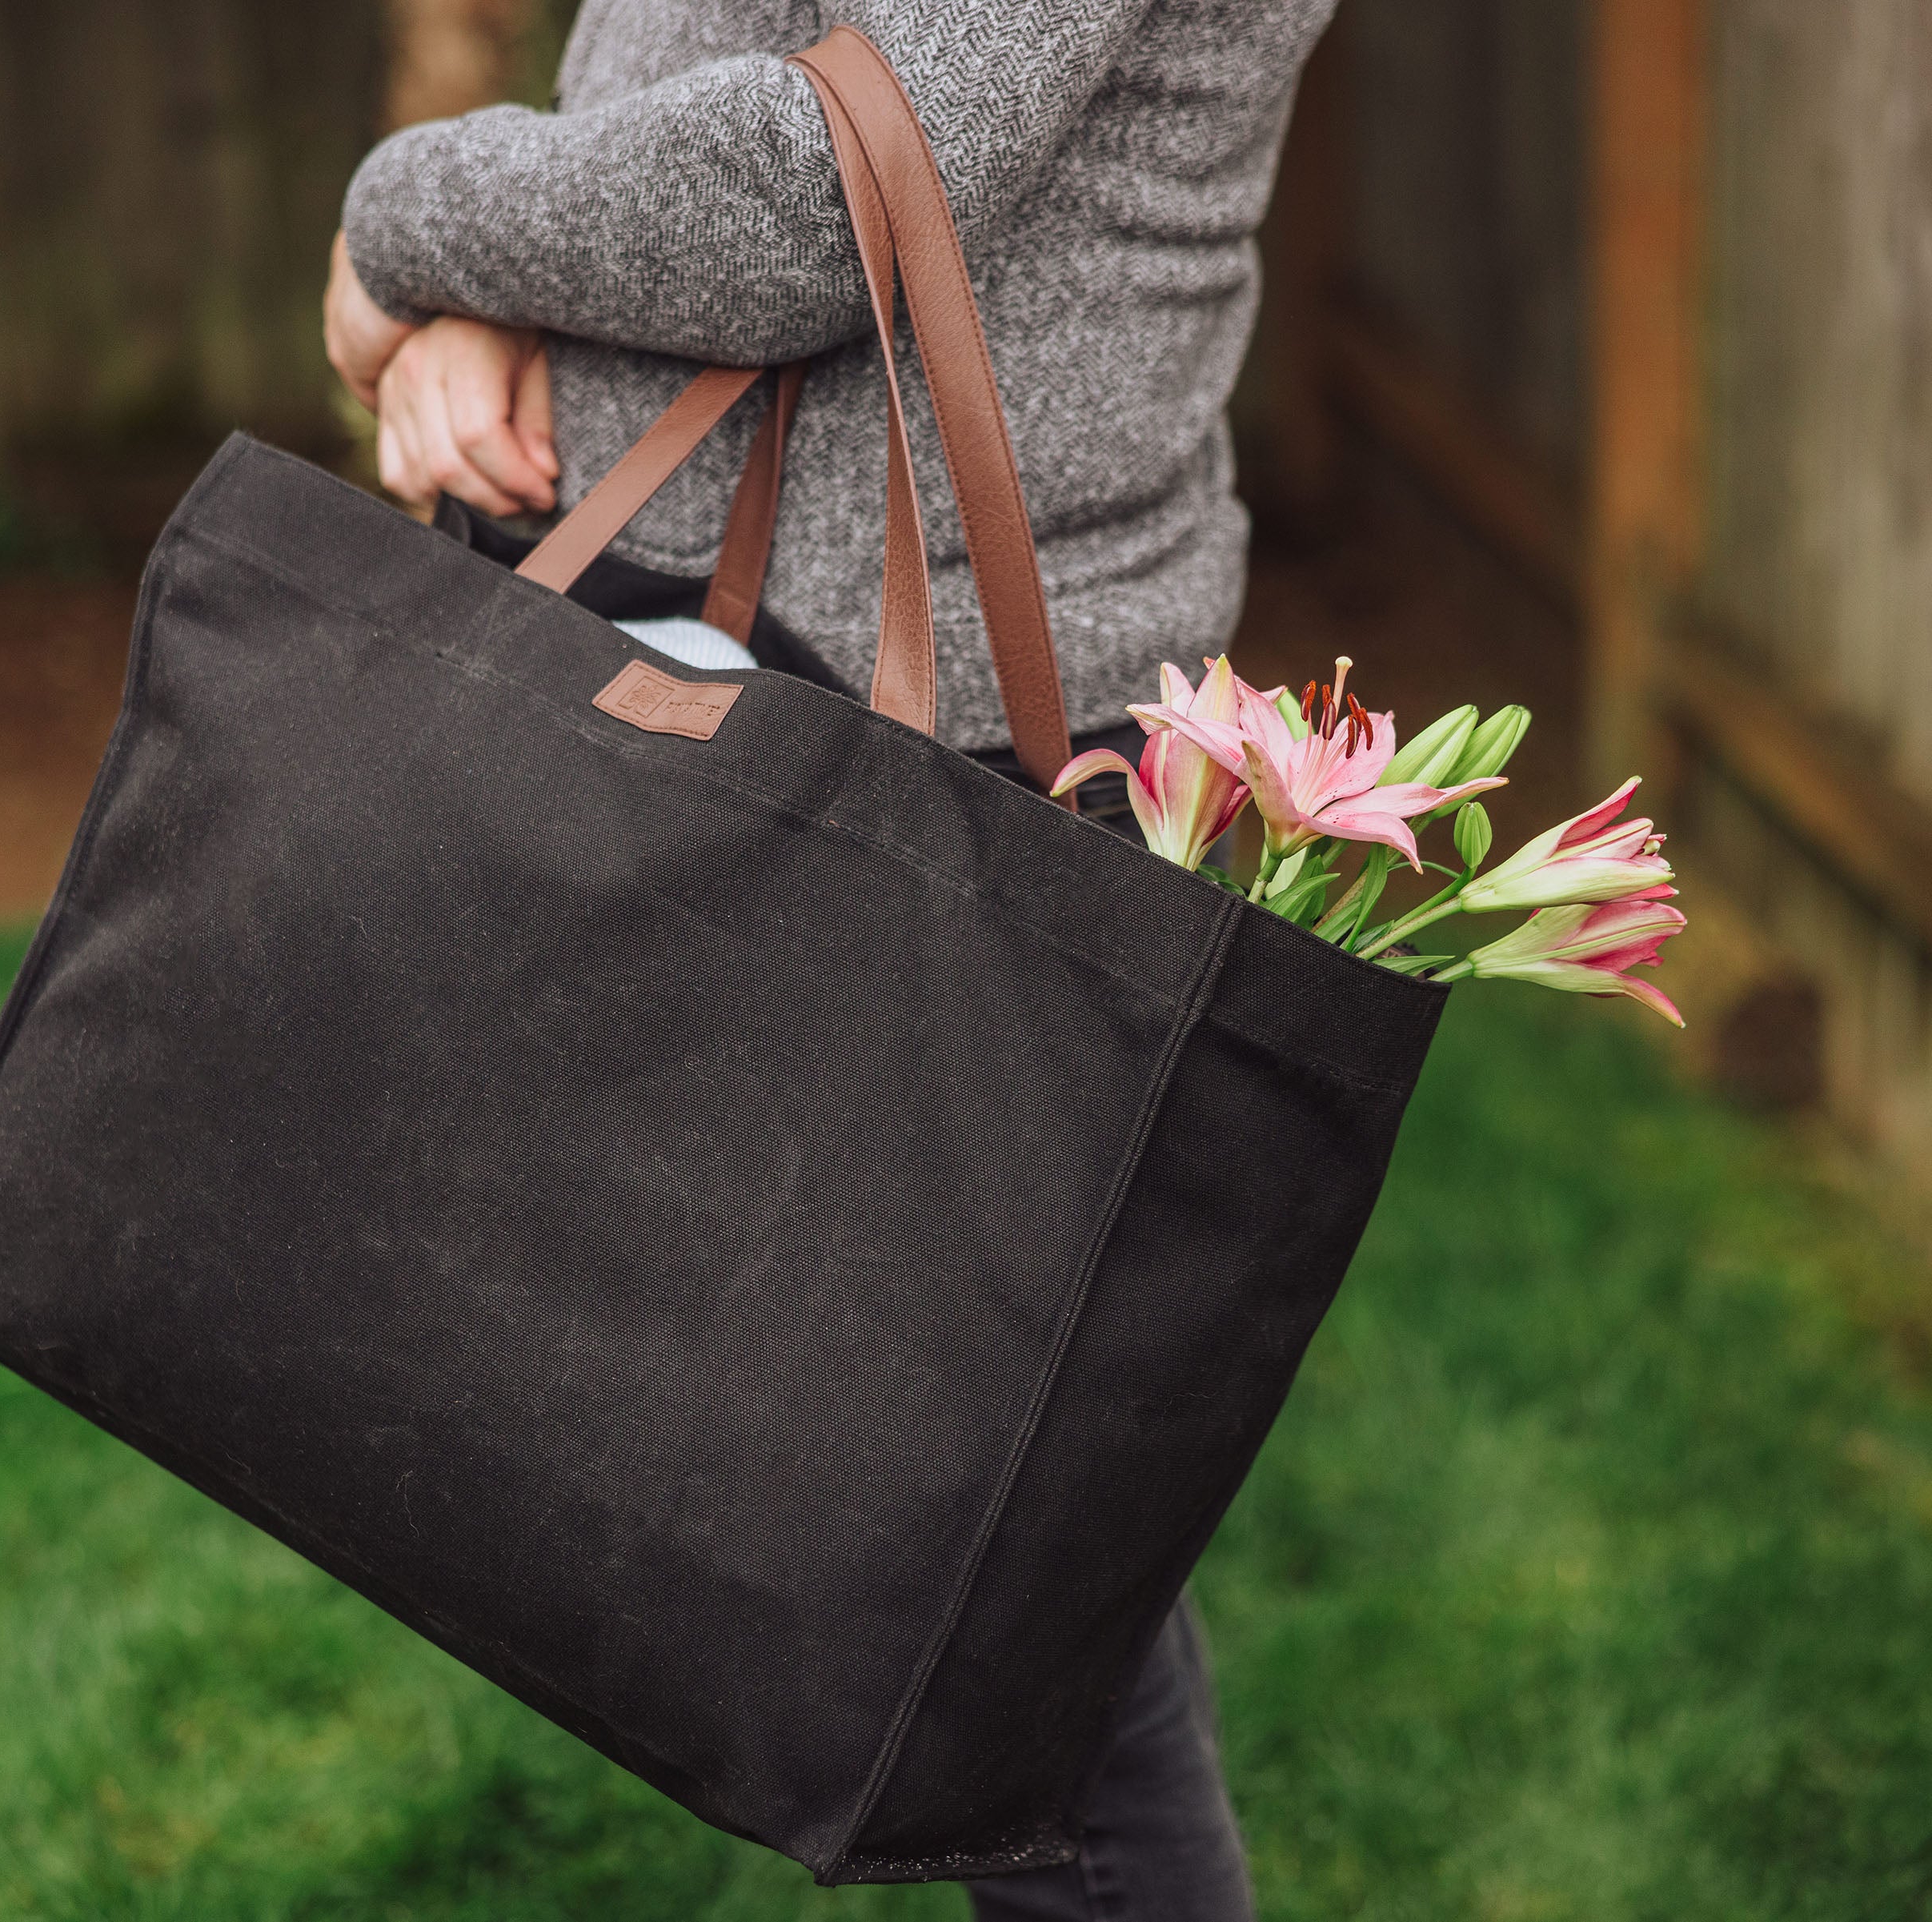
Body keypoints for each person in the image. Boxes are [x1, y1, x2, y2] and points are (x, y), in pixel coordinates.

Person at [327, 3, 1337, 1911]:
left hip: (947, 752)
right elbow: (719, 58)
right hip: (732, 663)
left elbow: (821, 188)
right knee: (991, 1560)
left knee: (1009, 1615)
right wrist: (508, 301)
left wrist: (410, 222)